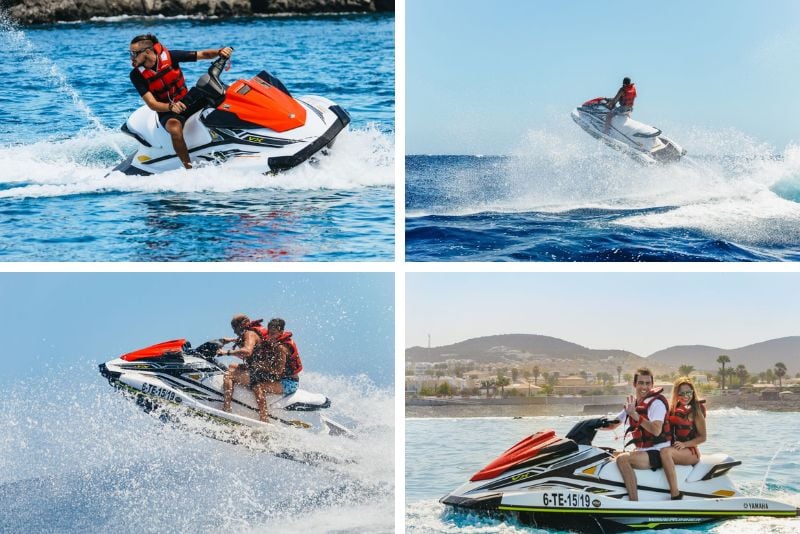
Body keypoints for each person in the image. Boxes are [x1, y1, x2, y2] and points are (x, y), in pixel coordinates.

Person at [128, 33, 232, 169]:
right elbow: (152, 104)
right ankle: (189, 168)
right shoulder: (136, 75)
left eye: (134, 53)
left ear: (147, 51)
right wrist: (171, 107)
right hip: (167, 110)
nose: (131, 57)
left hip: (187, 100)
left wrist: (220, 51)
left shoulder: (171, 56)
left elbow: (203, 54)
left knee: (224, 94)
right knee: (175, 129)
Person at [603, 367, 671, 501]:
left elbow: (656, 430)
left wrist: (635, 415)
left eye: (647, 383)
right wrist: (593, 425)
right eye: (641, 383)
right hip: (643, 451)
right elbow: (613, 424)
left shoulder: (656, 403)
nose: (644, 386)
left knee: (623, 459)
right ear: (635, 384)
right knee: (605, 453)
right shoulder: (633, 404)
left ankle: (634, 501)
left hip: (658, 452)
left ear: (652, 385)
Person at [219, 314, 286, 422]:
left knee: (229, 375)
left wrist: (226, 352)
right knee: (231, 366)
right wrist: (227, 341)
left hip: (263, 370)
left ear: (242, 325)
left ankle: (226, 409)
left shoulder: (250, 333)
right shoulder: (251, 333)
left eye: (235, 328)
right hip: (259, 367)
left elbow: (247, 351)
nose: (234, 331)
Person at [660, 377, 707, 500]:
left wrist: (685, 444)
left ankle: (675, 494)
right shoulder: (672, 410)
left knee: (665, 452)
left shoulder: (696, 412)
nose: (685, 396)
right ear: (676, 394)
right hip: (676, 449)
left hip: (691, 452)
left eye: (688, 393)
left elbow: (703, 437)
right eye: (681, 393)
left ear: (693, 393)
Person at [265, 317, 303, 395]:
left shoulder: (281, 348)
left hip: (289, 383)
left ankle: (263, 408)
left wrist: (260, 367)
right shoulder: (273, 344)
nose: (270, 336)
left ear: (281, 332)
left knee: (258, 386)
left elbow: (278, 371)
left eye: (273, 333)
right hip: (280, 379)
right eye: (268, 333)